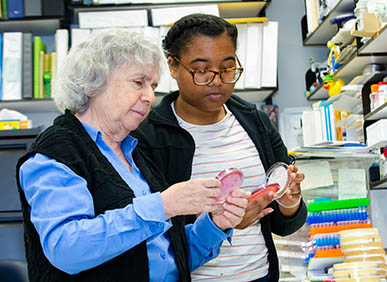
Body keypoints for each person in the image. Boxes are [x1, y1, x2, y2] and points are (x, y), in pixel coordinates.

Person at [16, 28, 250, 282]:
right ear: (94, 81)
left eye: (153, 86)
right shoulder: (55, 154)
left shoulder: (136, 152)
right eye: (138, 83)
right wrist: (163, 206)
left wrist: (215, 224)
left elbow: (169, 261)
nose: (150, 97)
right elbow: (68, 249)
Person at [132, 14, 307, 282]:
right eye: (202, 70)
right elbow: (148, 237)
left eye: (227, 68)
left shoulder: (256, 122)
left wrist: (289, 200)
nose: (217, 81)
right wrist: (220, 222)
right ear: (173, 66)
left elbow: (285, 225)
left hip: (259, 275)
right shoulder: (147, 137)